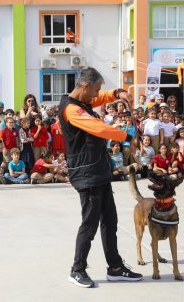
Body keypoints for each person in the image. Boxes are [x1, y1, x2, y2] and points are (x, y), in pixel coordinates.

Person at [59, 67, 142, 288]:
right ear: (85, 87)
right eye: (95, 90)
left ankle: (115, 267)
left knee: (110, 221)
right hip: (86, 174)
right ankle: (77, 269)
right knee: (90, 223)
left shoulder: (83, 102)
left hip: (99, 171)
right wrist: (127, 135)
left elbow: (103, 98)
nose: (97, 96)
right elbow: (99, 128)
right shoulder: (71, 110)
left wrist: (118, 93)